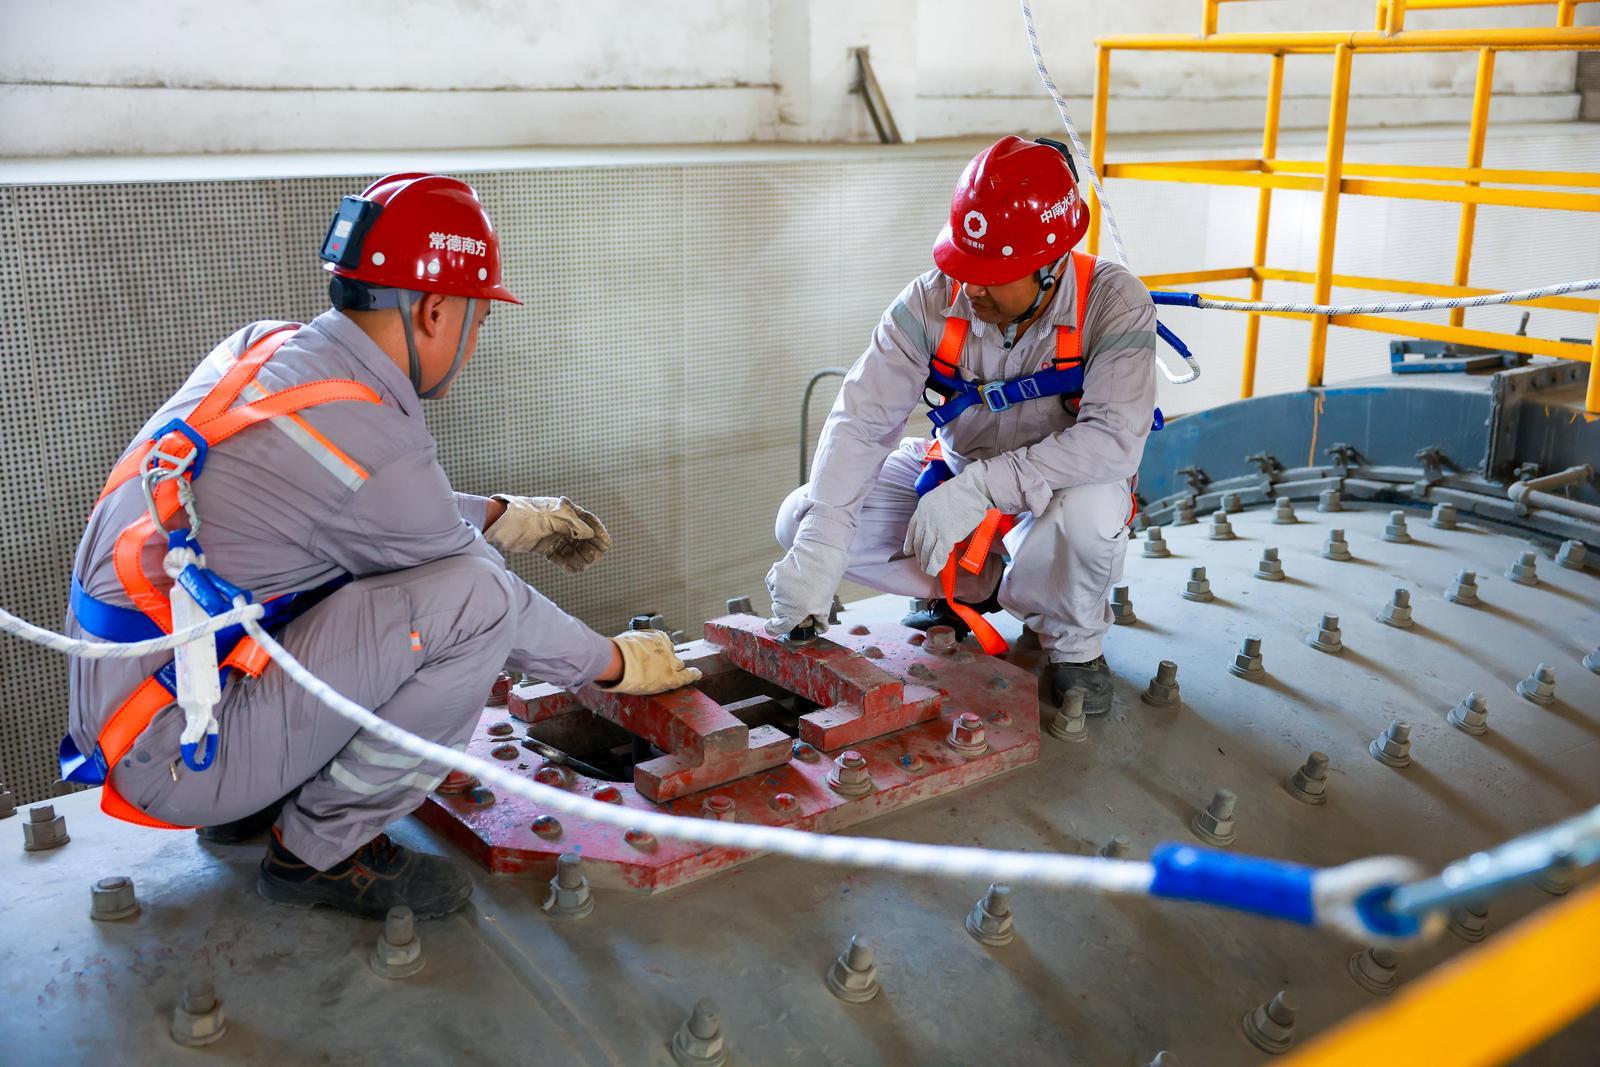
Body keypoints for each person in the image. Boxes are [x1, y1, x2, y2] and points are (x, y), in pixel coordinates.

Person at [60, 173, 700, 920]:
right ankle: (320, 851)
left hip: (146, 708)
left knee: (423, 583)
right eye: (478, 320)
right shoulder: (369, 443)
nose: (474, 341)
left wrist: (505, 515)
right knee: (480, 603)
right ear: (435, 310)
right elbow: (484, 595)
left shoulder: (270, 351)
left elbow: (340, 510)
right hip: (183, 757)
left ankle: (259, 796)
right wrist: (617, 663)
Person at [768, 136, 1157, 715]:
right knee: (801, 517)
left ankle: (1074, 646)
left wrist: (983, 489)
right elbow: (863, 420)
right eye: (963, 265)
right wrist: (821, 543)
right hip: (950, 473)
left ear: (1050, 267)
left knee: (1091, 514)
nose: (971, 288)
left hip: (1053, 495)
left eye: (992, 273)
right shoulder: (928, 301)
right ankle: (982, 584)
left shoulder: (1114, 303)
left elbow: (1114, 441)